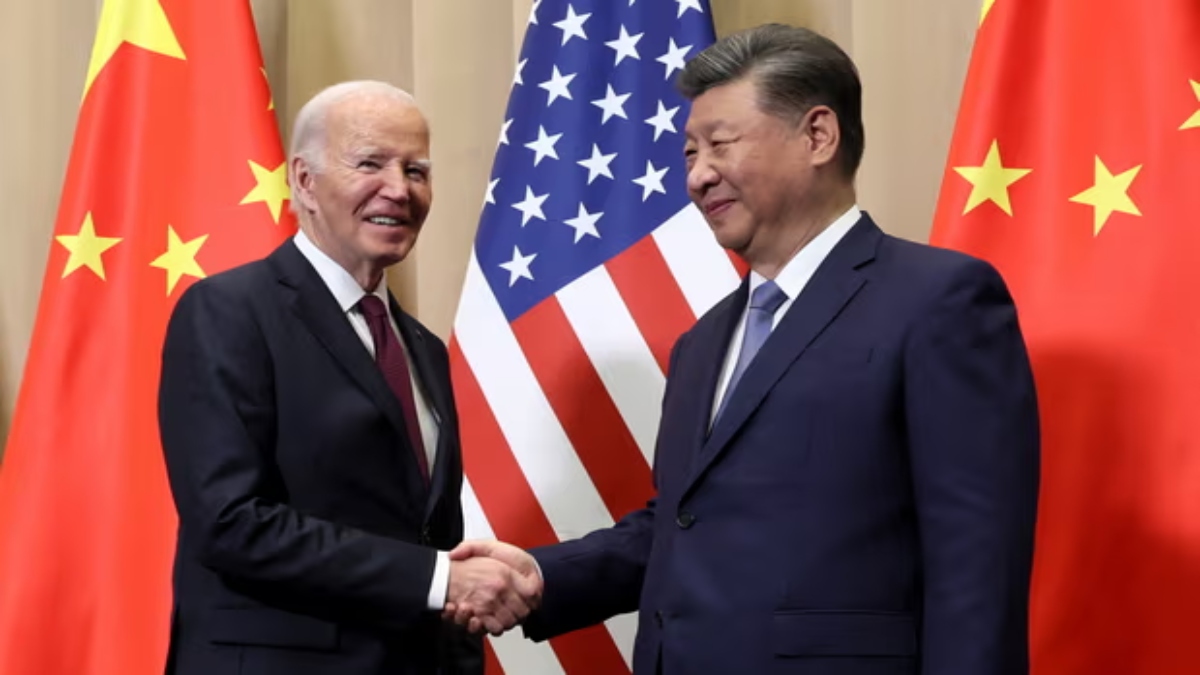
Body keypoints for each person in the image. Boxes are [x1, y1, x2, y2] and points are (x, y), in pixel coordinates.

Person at [450, 24, 1041, 675]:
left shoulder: (939, 301)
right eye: (688, 153)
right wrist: (543, 575)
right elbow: (686, 527)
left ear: (818, 135)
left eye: (720, 146)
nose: (698, 177)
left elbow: (977, 562)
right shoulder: (703, 342)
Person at [157, 81, 537, 675]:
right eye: (370, 163)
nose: (399, 188)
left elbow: (421, 526)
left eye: (417, 169)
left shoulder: (424, 349)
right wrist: (442, 578)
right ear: (304, 181)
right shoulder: (229, 311)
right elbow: (229, 522)